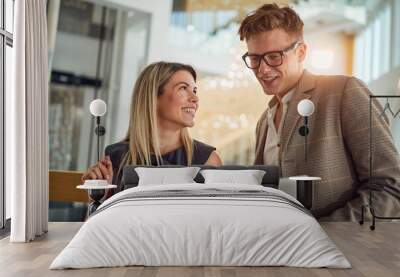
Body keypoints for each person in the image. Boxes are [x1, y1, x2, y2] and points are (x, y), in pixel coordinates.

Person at [238, 3, 400, 220]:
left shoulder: (344, 92)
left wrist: (320, 233)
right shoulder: (264, 121)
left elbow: (389, 186)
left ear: (301, 52)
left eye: (274, 56)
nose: (263, 69)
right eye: (255, 58)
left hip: (339, 248)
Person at [82, 61, 223, 198]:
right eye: (183, 88)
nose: (195, 98)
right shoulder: (115, 157)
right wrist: (99, 196)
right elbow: (99, 221)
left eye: (194, 90)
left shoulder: (208, 160)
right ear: (153, 97)